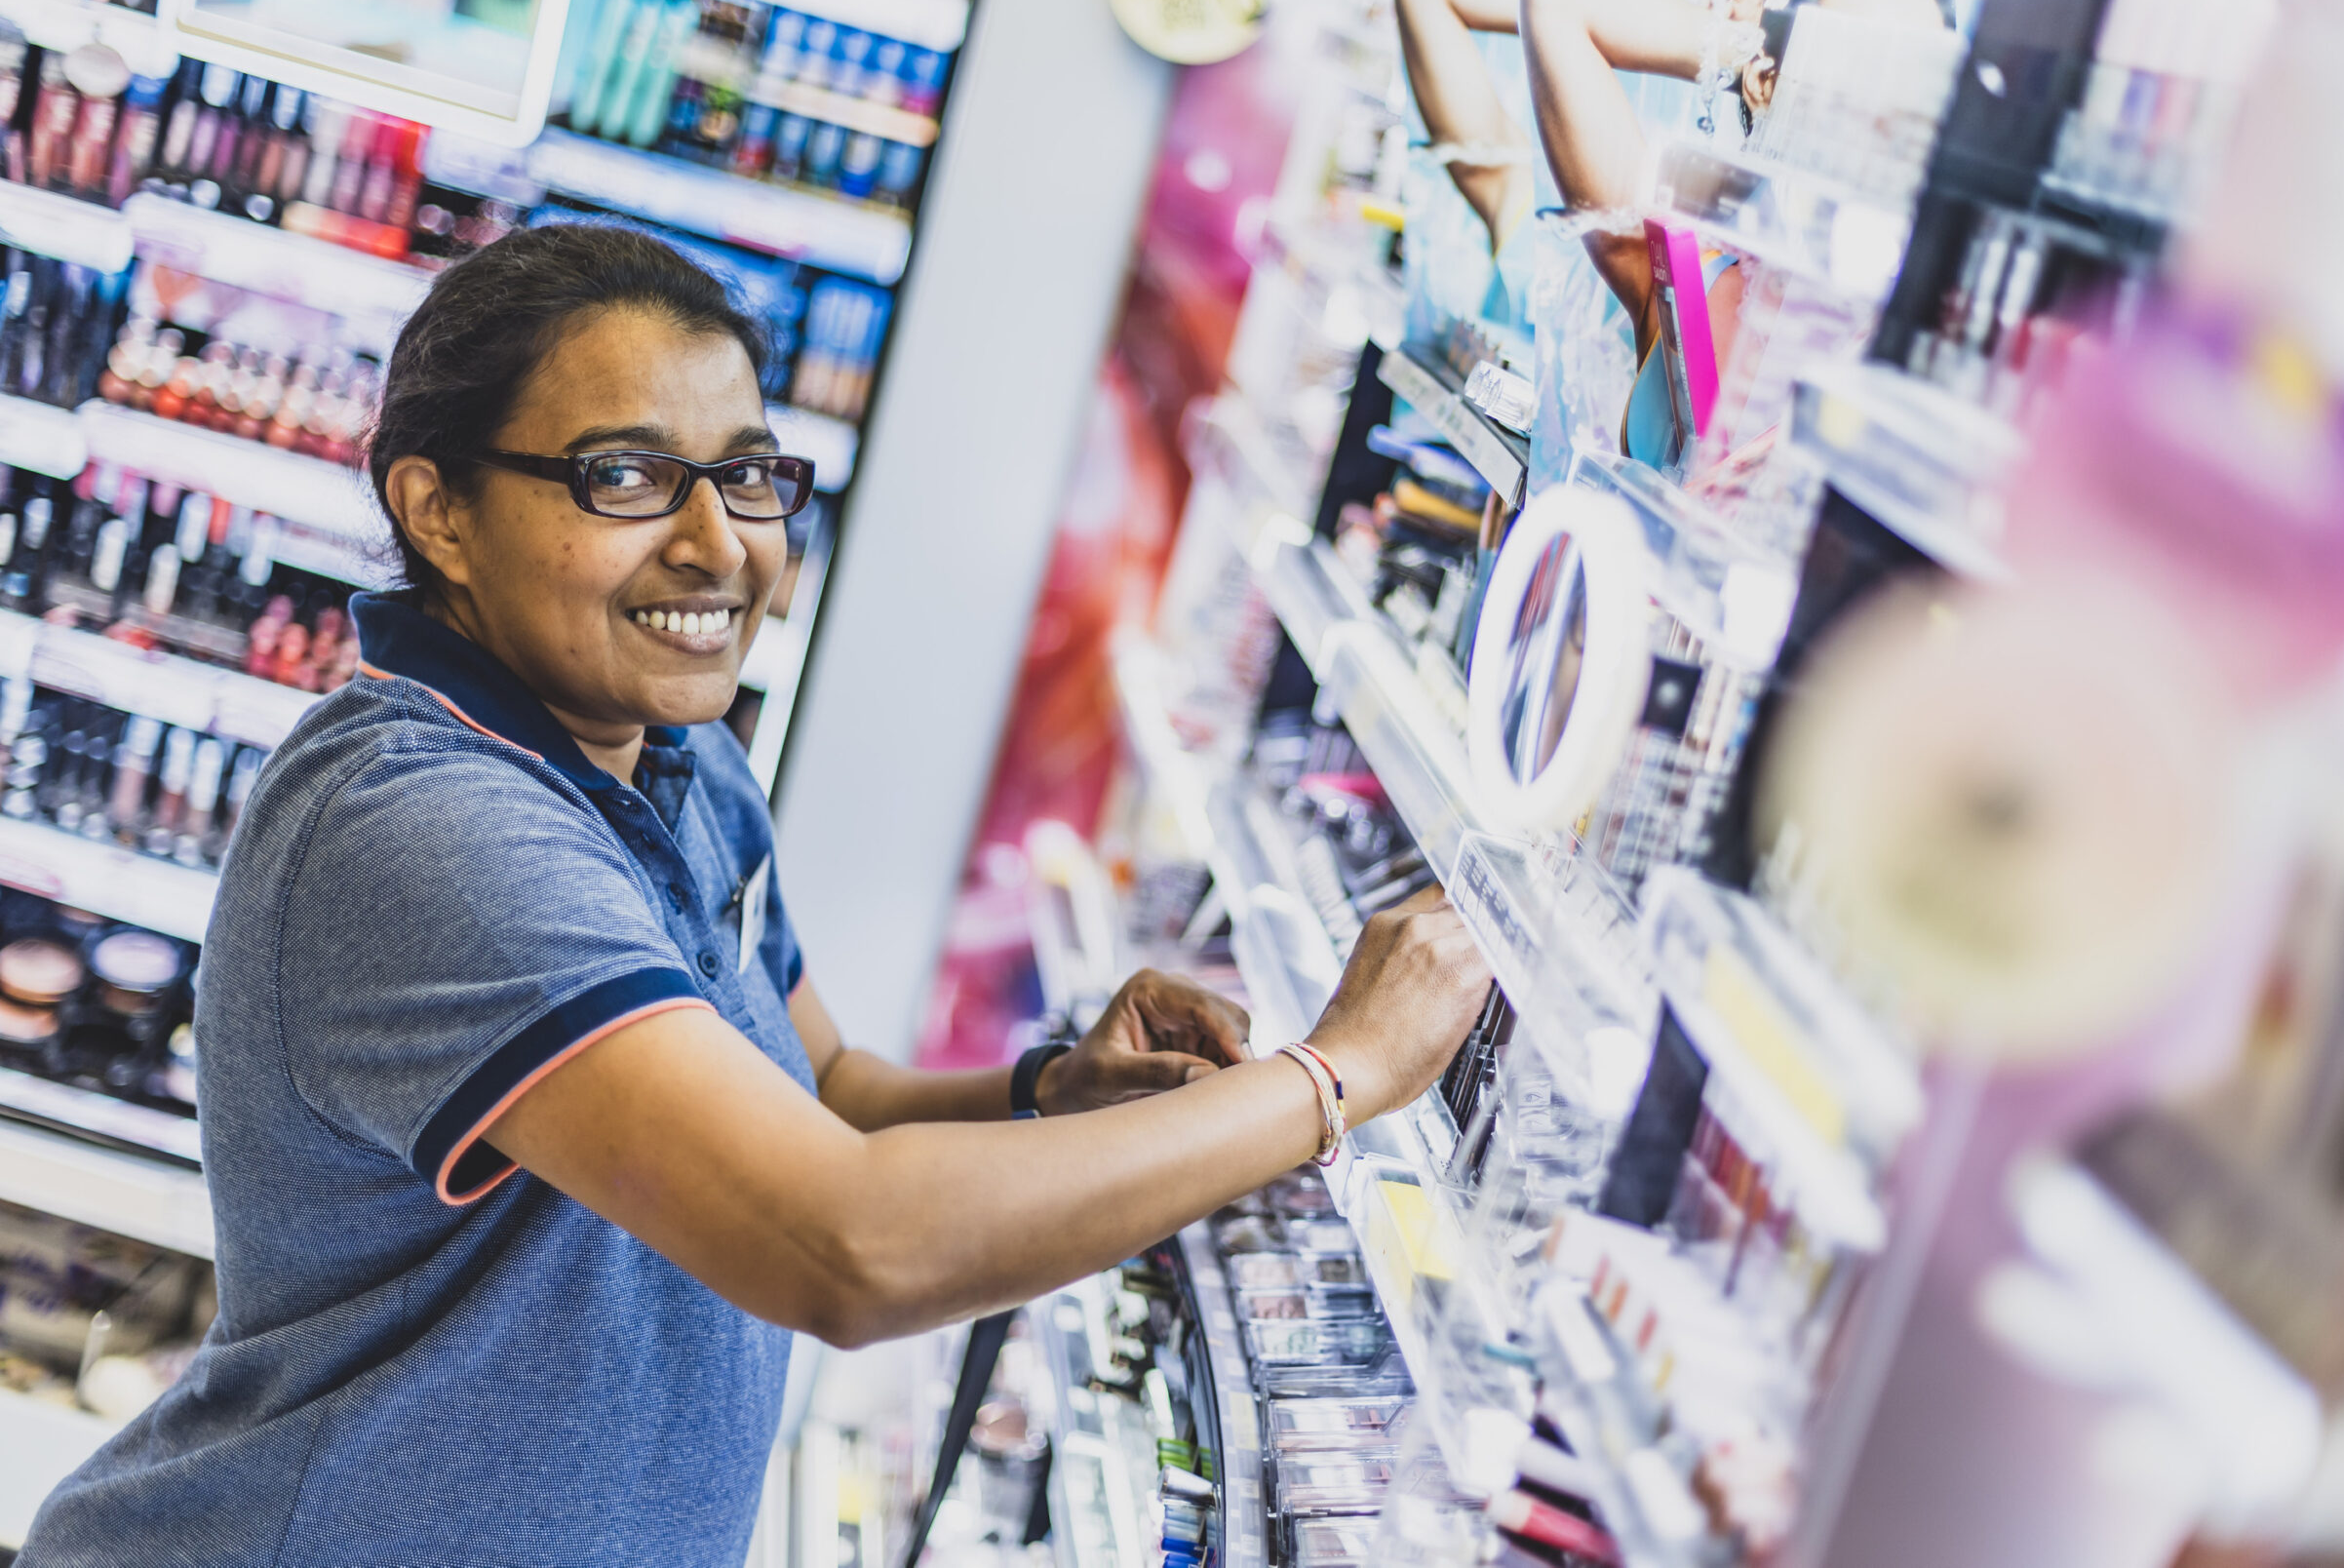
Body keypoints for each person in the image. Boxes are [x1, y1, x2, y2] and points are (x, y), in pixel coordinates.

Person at [17, 226, 1494, 1566]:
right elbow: (842, 1244)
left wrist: (1051, 1095)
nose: (720, 544)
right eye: (627, 477)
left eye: (748, 475)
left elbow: (825, 1092)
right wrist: (1337, 1074)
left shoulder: (676, 756)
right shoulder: (426, 828)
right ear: (441, 512)